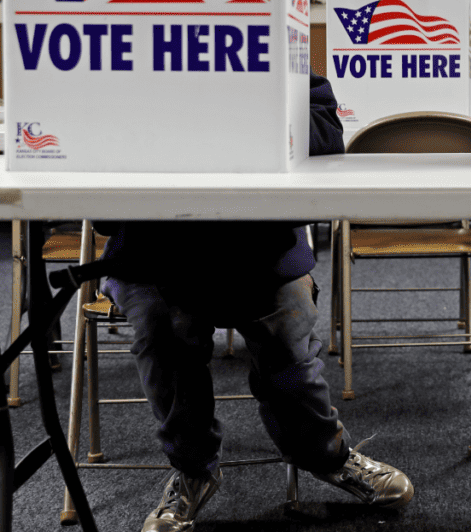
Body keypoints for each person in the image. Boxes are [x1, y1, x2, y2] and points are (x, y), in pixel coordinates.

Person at [94, 71, 413, 532]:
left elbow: (327, 136)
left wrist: (225, 115)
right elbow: (99, 200)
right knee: (165, 336)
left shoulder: (277, 53)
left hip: (258, 249)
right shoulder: (121, 65)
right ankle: (193, 471)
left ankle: (327, 456)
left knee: (288, 348)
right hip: (154, 252)